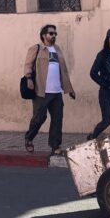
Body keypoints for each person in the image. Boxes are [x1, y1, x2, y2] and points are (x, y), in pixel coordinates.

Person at [24, 24, 76, 155]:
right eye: (51, 33)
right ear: (44, 35)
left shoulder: (57, 49)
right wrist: (29, 78)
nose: (53, 36)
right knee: (39, 118)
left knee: (57, 119)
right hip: (41, 91)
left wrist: (69, 89)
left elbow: (63, 71)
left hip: (56, 91)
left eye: (55, 34)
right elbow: (28, 65)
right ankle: (29, 137)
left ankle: (55, 146)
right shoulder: (36, 49)